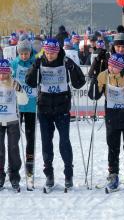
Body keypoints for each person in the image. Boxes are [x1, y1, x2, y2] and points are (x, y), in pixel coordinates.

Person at [25, 38, 86, 191]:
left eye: (53, 52)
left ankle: (68, 174)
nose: (50, 55)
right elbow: (30, 82)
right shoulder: (39, 61)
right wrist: (34, 68)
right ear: (44, 50)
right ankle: (49, 175)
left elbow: (80, 83)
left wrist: (72, 68)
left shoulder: (65, 61)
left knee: (64, 141)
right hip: (44, 108)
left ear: (58, 51)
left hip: (61, 108)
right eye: (47, 52)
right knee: (46, 143)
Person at [88, 53, 124, 192]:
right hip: (112, 117)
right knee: (113, 148)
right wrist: (94, 81)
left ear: (120, 67)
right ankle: (113, 174)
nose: (110, 68)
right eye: (109, 65)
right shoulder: (104, 75)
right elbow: (94, 96)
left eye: (114, 67)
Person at [10, 37, 37, 184]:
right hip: (17, 106)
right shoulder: (14, 63)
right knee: (14, 138)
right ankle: (13, 166)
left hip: (32, 106)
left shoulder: (35, 62)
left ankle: (30, 164)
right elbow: (8, 79)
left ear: (30, 52)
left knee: (30, 136)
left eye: (26, 53)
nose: (24, 56)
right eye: (22, 53)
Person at [0, 59, 28, 191]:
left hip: (12, 120)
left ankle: (14, 176)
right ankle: (0, 176)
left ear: (9, 72)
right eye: (0, 73)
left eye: (5, 73)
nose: (2, 76)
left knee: (13, 149)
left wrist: (20, 90)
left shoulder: (15, 82)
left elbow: (24, 101)